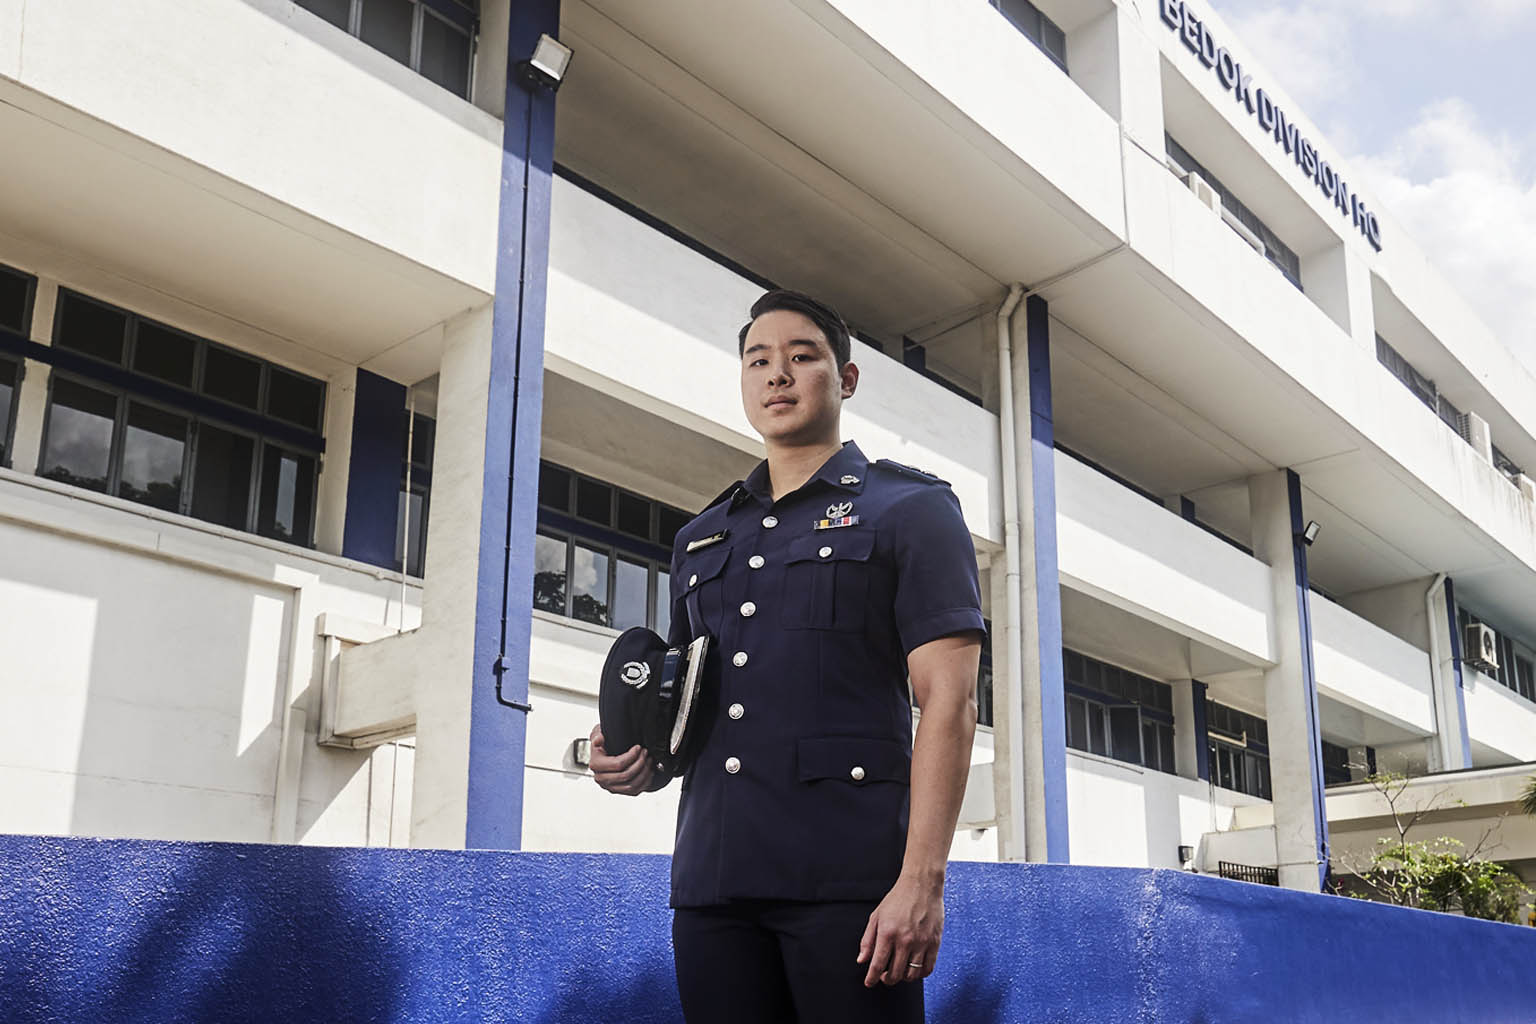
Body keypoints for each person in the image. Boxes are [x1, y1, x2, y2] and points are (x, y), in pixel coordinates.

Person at [588, 289, 984, 1023]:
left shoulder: (910, 510)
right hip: (713, 886)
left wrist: (921, 883)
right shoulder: (703, 538)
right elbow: (688, 711)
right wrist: (632, 756)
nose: (777, 375)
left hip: (852, 889)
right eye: (758, 360)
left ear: (847, 379)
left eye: (802, 357)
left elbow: (950, 704)